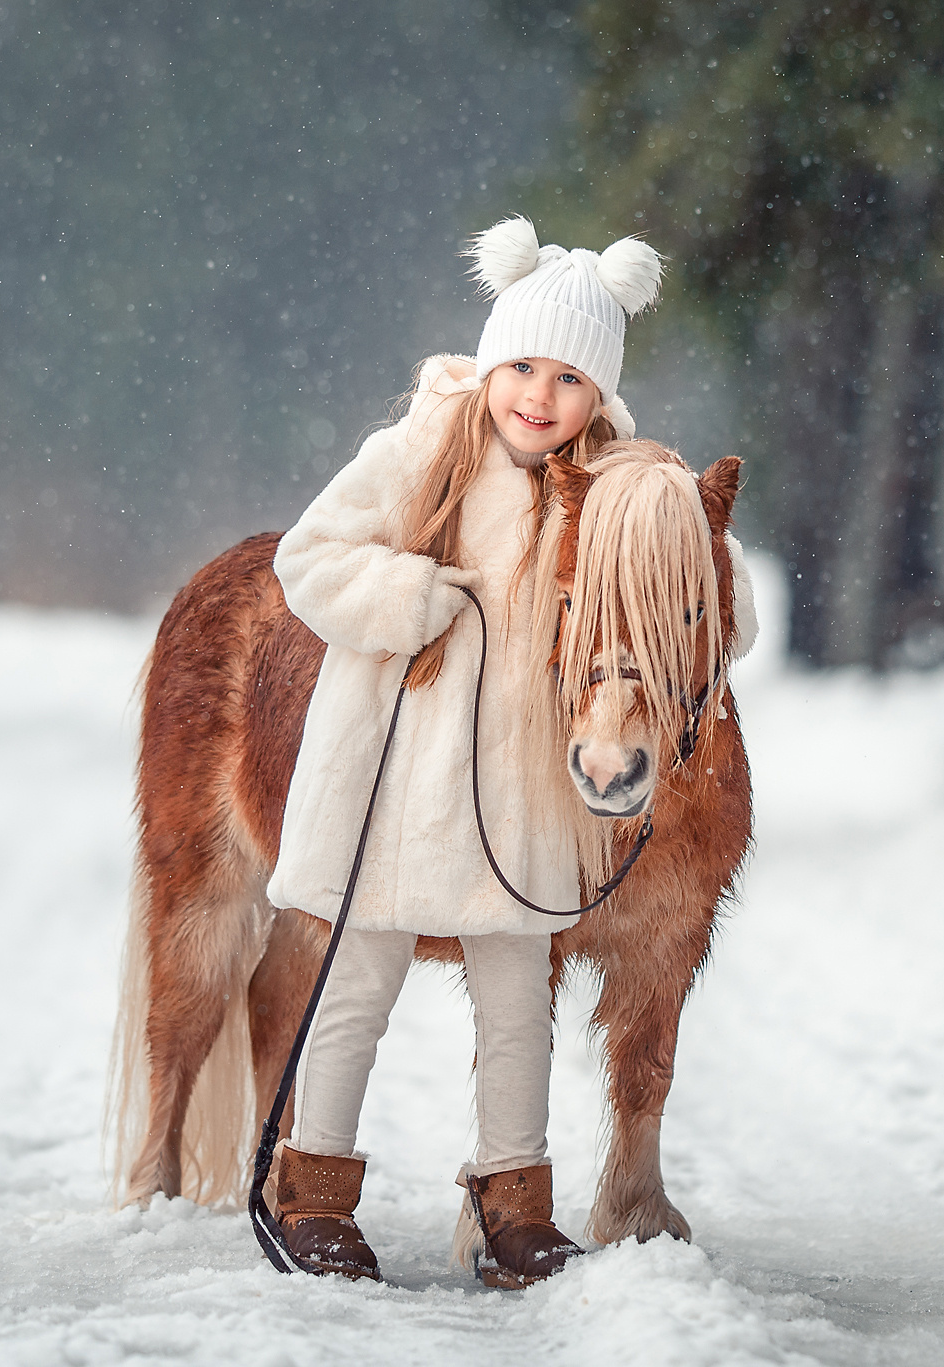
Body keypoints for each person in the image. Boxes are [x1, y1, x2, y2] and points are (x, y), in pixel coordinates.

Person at [263, 216, 664, 1288]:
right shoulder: (419, 448)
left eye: (569, 379)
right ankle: (312, 1194)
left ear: (599, 396)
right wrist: (398, 593)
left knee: (515, 1003)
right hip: (394, 779)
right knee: (354, 989)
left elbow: (696, 570)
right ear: (492, 361)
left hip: (515, 797)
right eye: (522, 365)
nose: (539, 395)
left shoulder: (613, 483)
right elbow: (308, 556)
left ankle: (513, 1205)